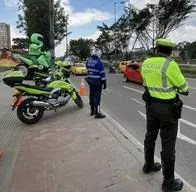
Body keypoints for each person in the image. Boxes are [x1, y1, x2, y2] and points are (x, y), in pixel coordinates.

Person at [141, 39, 189, 192]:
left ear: (157, 49)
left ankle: (148, 165)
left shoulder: (146, 62)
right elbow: (184, 88)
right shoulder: (170, 64)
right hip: (167, 109)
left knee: (150, 135)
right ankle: (168, 182)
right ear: (169, 52)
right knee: (168, 144)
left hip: (150, 105)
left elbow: (145, 83)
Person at [85, 47, 106, 118]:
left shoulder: (88, 61)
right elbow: (102, 73)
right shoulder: (99, 62)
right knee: (97, 97)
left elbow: (88, 69)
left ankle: (92, 110)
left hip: (90, 81)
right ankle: (98, 113)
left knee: (91, 95)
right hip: (97, 82)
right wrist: (104, 82)